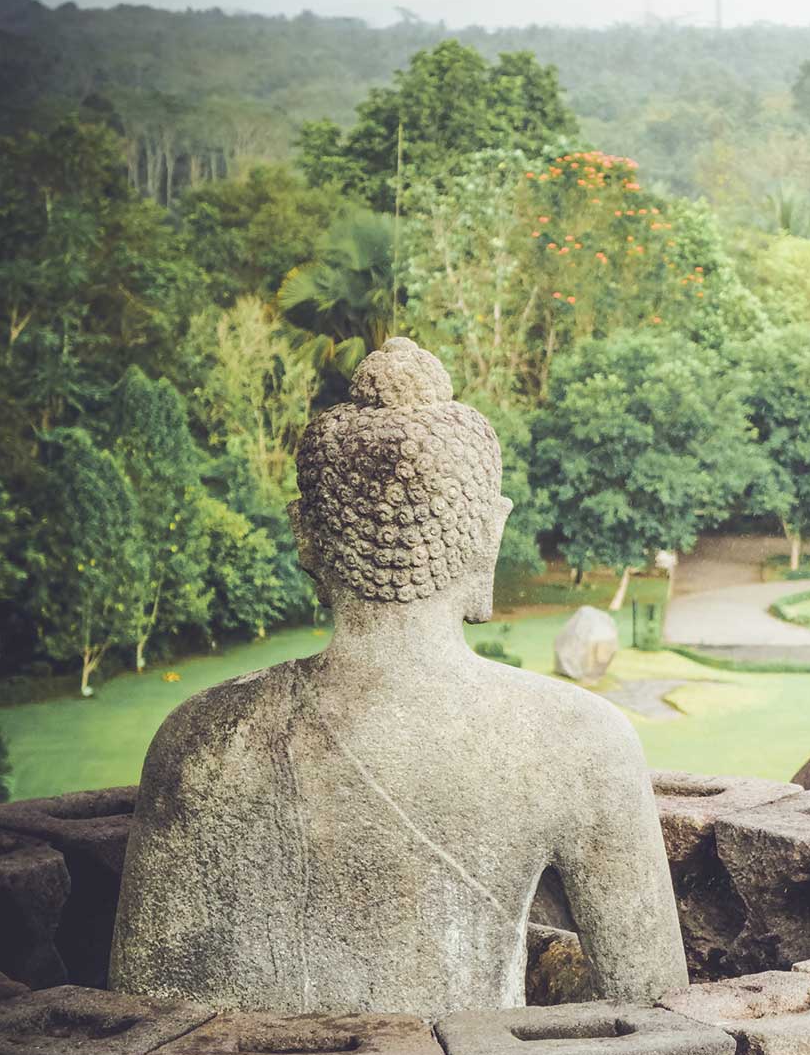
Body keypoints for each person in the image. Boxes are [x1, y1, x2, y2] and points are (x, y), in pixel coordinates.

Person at [112, 337, 688, 1016]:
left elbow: (139, 1018)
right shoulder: (585, 741)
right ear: (489, 535)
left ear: (307, 534)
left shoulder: (200, 740)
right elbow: (656, 1017)